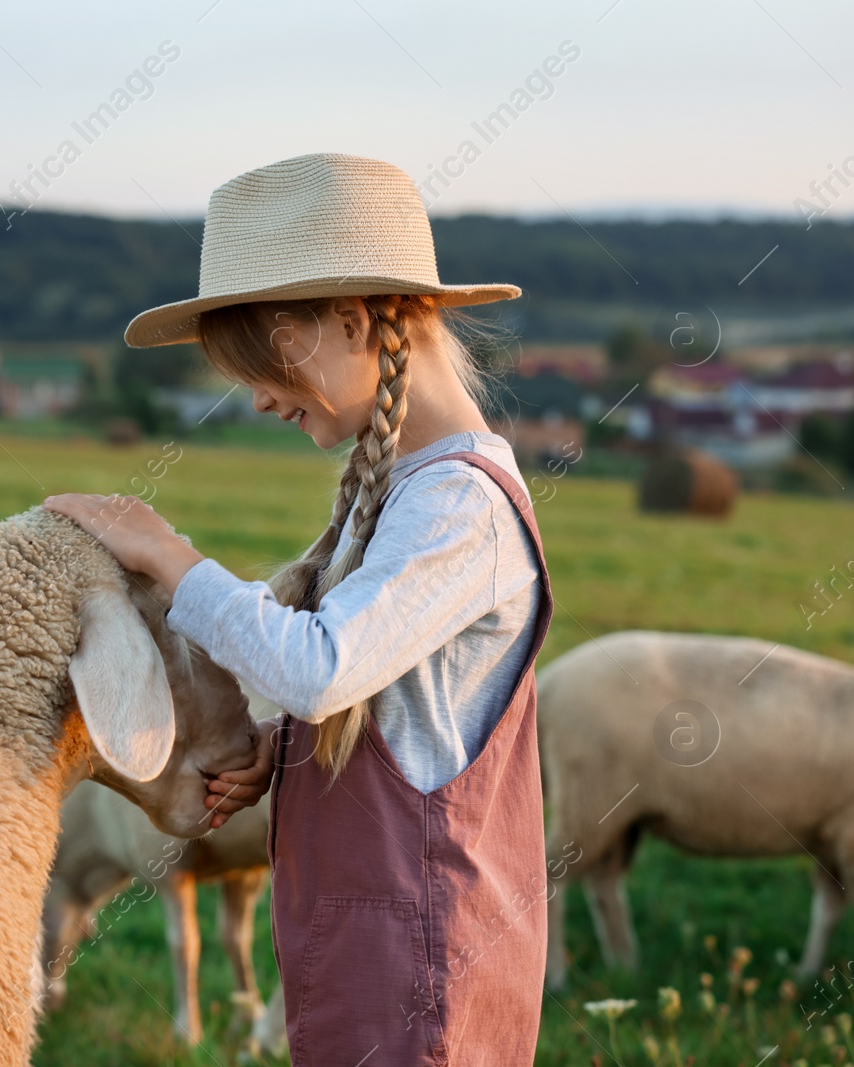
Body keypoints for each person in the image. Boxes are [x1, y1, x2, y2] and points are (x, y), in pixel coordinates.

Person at [45, 152, 553, 1066]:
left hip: (425, 962)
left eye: (263, 365)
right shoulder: (402, 490)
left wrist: (172, 557)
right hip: (365, 938)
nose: (259, 400)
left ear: (353, 322)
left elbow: (320, 671)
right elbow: (408, 707)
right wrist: (282, 757)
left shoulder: (460, 507)